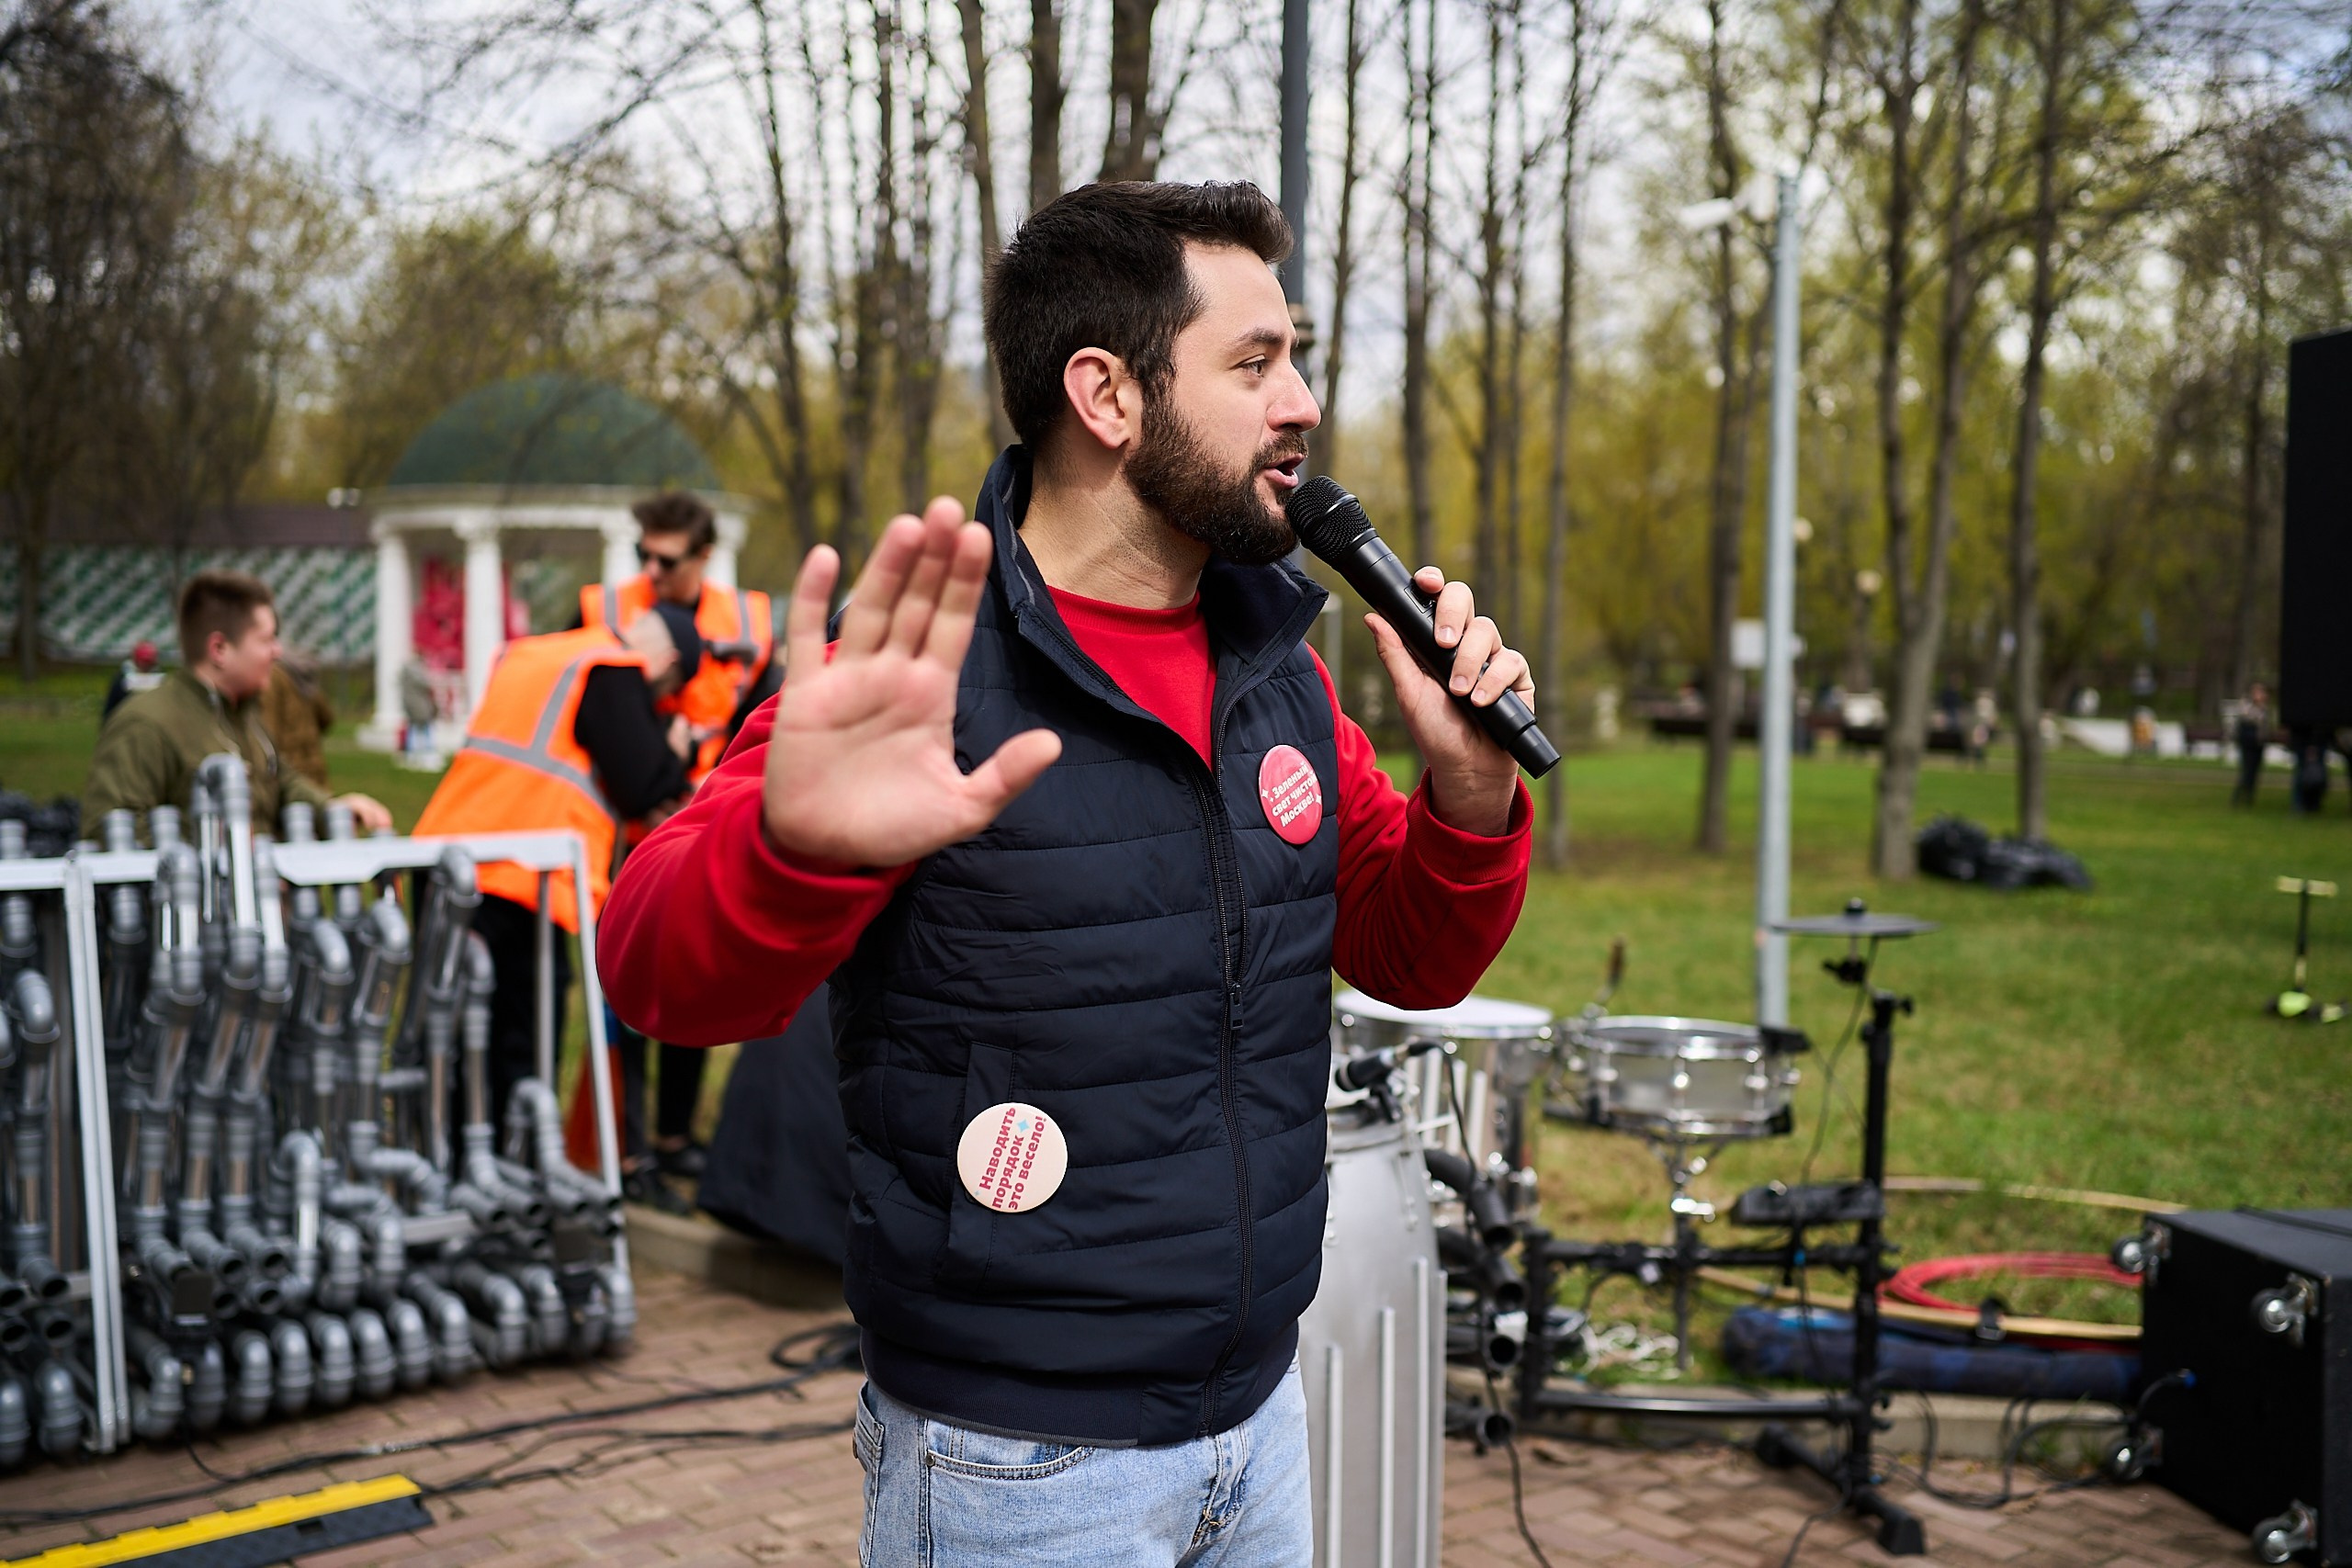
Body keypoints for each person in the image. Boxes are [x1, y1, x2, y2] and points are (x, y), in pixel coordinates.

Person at [601, 181, 1534, 1566]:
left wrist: (1469, 789)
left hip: (1258, 1420)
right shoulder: (921, 671)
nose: (1302, 404)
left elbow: (1407, 952)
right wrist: (792, 847)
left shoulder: (1274, 667)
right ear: (1105, 393)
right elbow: (654, 971)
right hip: (1016, 1465)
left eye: (1300, 356)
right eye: (1255, 362)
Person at [412, 603, 699, 1171]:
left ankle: (435, 1169)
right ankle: (501, 1177)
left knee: (441, 1036)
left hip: (442, 858)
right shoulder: (612, 666)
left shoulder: (537, 652)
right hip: (519, 879)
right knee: (516, 1044)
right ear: (664, 661)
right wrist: (677, 756)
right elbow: (644, 783)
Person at [576, 491, 777, 1183]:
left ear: (703, 556)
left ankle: (673, 1135)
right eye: (643, 555)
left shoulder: (751, 620)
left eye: (665, 558)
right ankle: (625, 1144)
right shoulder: (603, 609)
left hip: (706, 824)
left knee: (699, 977)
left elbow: (759, 719)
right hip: (621, 829)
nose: (651, 570)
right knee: (624, 983)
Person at [83, 572, 391, 839]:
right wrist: (211, 865)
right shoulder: (146, 723)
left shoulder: (242, 714)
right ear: (219, 649)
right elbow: (107, 830)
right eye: (266, 640)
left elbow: (277, 780)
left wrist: (331, 810)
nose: (277, 651)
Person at [261, 651, 335, 787]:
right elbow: (327, 718)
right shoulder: (307, 680)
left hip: (291, 771)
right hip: (315, 768)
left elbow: (270, 732)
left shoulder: (274, 677)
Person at [101, 640, 165, 723]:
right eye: (144, 661)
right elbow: (111, 707)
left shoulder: (160, 679)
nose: (146, 665)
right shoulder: (121, 680)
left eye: (149, 662)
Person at [2232, 682, 2269, 807]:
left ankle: (2249, 797)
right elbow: (2249, 718)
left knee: (2254, 771)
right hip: (2248, 742)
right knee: (2247, 770)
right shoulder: (2246, 705)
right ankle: (2237, 798)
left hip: (2259, 743)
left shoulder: (2264, 707)